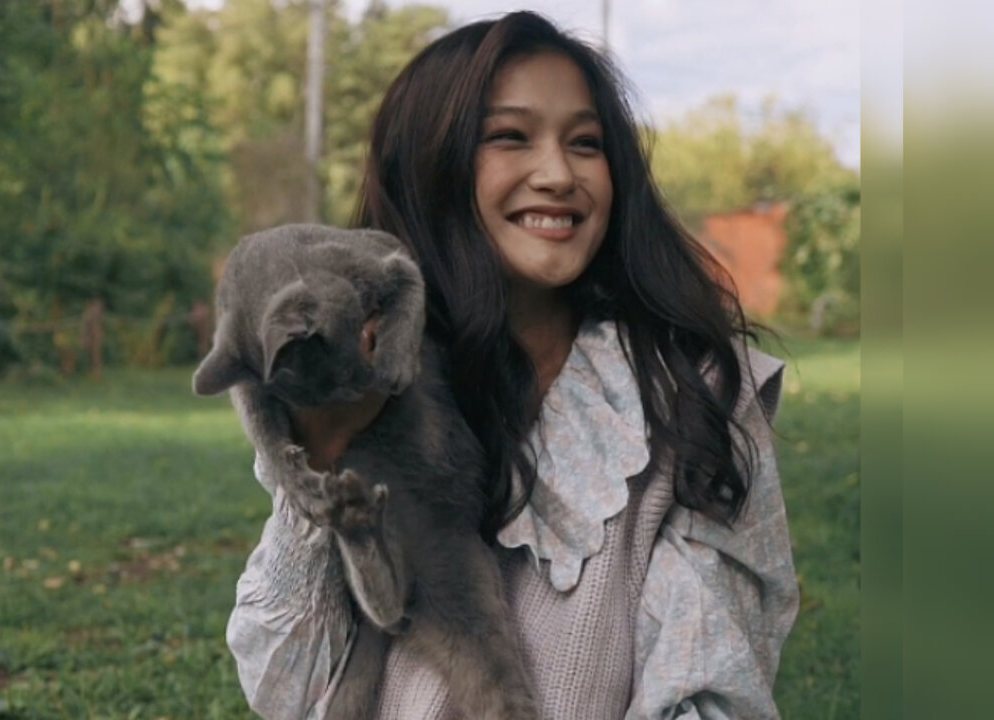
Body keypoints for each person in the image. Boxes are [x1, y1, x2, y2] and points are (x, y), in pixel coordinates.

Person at [226, 11, 798, 720]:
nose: (559, 174)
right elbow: (288, 688)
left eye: (586, 143)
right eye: (510, 137)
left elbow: (712, 684)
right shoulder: (367, 383)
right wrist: (330, 455)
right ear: (432, 161)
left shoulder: (693, 392)